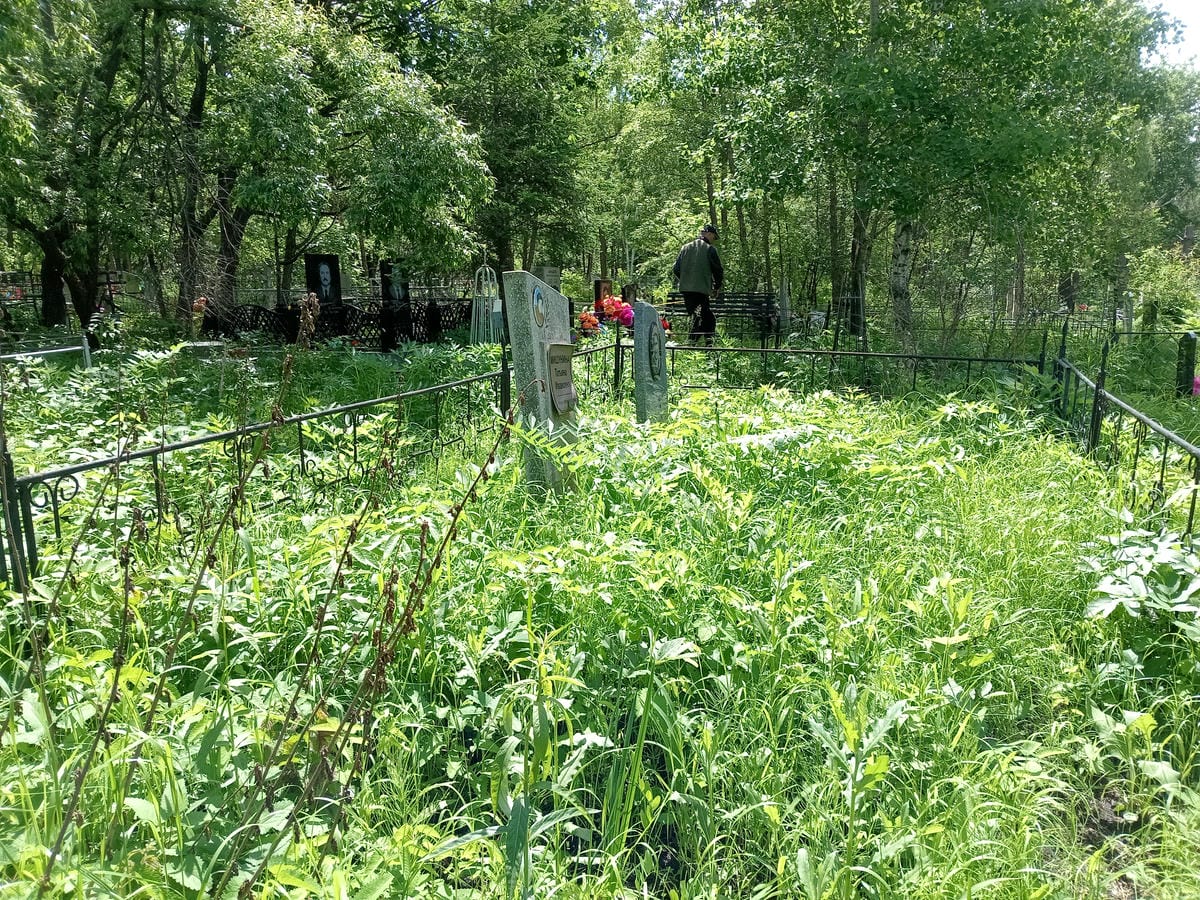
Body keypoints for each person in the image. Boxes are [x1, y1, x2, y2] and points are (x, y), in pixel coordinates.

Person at [672, 223, 723, 344]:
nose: (714, 241)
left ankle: (696, 343)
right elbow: (718, 270)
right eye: (714, 237)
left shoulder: (685, 247)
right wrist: (716, 287)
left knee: (698, 316)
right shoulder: (710, 249)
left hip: (686, 289)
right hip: (701, 289)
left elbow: (676, 269)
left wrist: (686, 279)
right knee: (705, 317)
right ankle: (701, 342)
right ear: (709, 234)